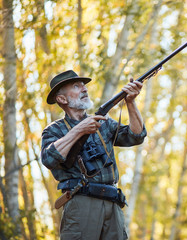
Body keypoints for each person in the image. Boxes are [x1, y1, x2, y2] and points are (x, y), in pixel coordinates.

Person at [41, 70, 146, 240]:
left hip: (113, 203)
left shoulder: (103, 122)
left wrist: (131, 102)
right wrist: (79, 130)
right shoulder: (54, 130)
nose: (84, 89)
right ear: (62, 99)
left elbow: (136, 136)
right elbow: (49, 158)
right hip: (81, 203)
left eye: (84, 85)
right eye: (77, 86)